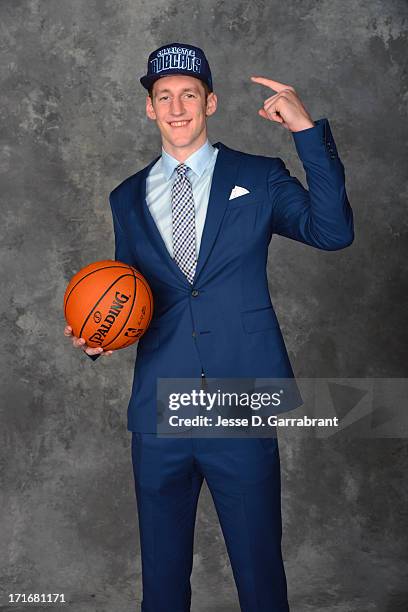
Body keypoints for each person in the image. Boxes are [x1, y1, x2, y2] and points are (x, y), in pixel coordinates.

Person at [64, 42, 354, 612]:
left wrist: (304, 132)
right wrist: (97, 338)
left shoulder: (258, 176)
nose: (177, 108)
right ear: (149, 107)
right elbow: (129, 297)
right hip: (158, 413)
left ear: (210, 102)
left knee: (259, 576)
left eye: (189, 95)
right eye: (164, 96)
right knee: (162, 584)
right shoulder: (125, 198)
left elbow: (333, 230)